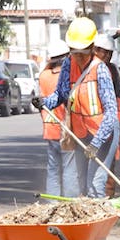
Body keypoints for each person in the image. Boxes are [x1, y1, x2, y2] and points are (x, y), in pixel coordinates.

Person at [33, 17, 119, 198]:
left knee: (95, 184)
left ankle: (98, 214)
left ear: (92, 48)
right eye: (75, 52)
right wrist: (45, 102)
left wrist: (96, 143)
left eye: (83, 53)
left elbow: (111, 112)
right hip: (81, 133)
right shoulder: (68, 64)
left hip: (103, 133)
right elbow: (61, 94)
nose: (78, 57)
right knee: (80, 184)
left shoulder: (100, 70)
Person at [38, 39, 78, 198]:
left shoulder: (44, 76)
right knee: (69, 167)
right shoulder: (69, 75)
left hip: (50, 127)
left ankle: (52, 202)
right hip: (67, 129)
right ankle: (69, 202)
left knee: (53, 168)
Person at [93, 33, 120, 197]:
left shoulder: (113, 70)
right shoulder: (88, 68)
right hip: (89, 122)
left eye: (110, 53)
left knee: (108, 165)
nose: (107, 56)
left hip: (107, 122)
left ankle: (107, 199)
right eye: (104, 52)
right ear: (95, 50)